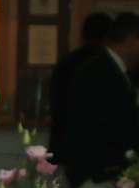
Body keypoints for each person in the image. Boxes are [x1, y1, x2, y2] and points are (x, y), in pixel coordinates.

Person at [55, 12, 139, 188]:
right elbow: (100, 126)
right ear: (134, 42)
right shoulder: (99, 71)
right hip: (99, 175)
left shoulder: (111, 69)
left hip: (102, 173)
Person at [45, 11, 112, 154]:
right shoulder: (106, 64)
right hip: (96, 144)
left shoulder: (66, 62)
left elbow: (56, 102)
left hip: (63, 139)